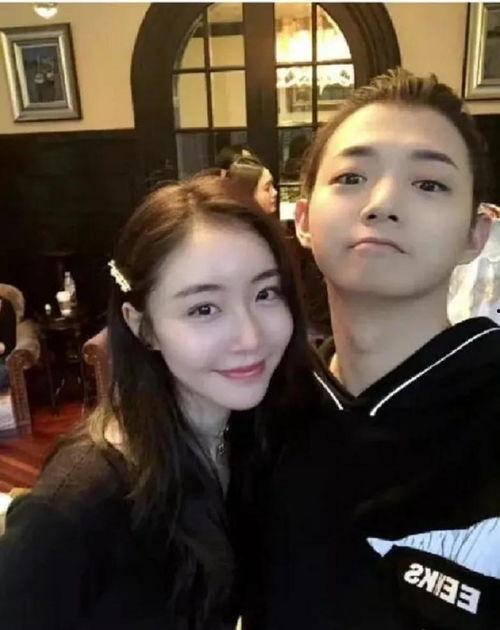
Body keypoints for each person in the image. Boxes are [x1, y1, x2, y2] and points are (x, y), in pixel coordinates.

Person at [244, 68, 500, 629]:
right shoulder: (263, 406)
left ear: (475, 235)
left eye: (429, 184)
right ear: (303, 220)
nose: (382, 204)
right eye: (351, 177)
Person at [0, 176, 313, 629]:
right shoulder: (76, 506)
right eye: (204, 309)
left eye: (265, 294)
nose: (251, 337)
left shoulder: (251, 436)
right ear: (141, 326)